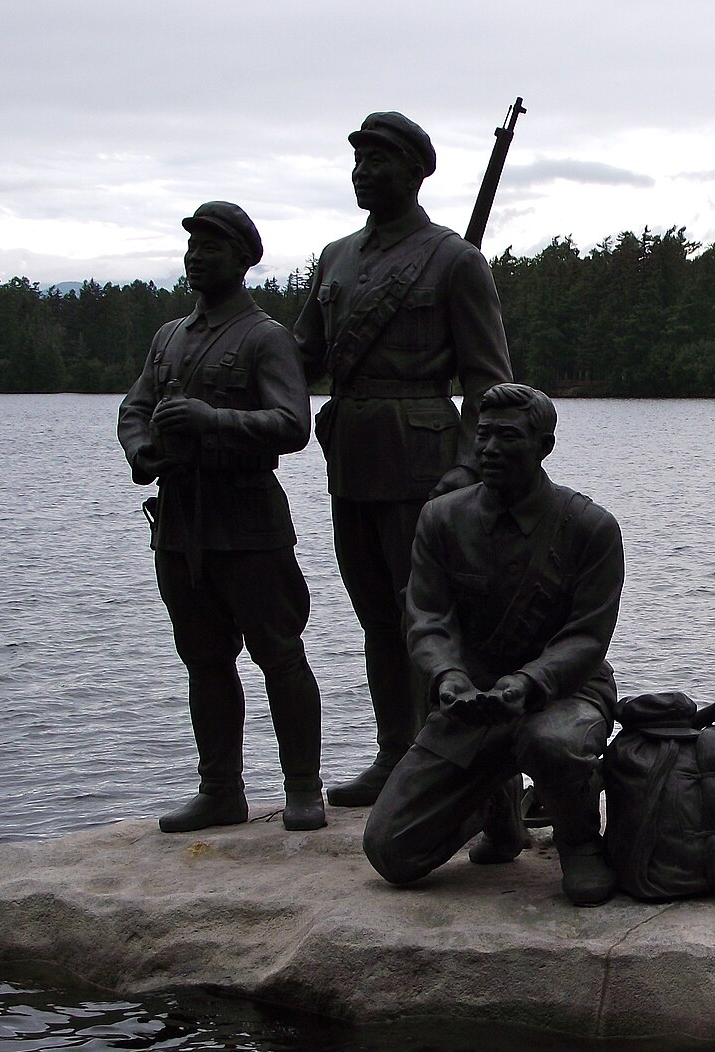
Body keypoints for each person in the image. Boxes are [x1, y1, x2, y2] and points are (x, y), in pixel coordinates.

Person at [294, 111, 513, 809]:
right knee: (376, 620)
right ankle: (395, 753)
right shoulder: (335, 258)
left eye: (377, 162)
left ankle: (444, 757)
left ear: (416, 172)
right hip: (352, 460)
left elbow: (488, 383)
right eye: (355, 162)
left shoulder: (454, 260)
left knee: (431, 621)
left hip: (424, 465)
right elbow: (299, 357)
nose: (361, 173)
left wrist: (465, 467)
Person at [362, 384, 624, 905]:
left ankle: (579, 841)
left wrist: (530, 682)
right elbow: (427, 615)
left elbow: (586, 637)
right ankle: (500, 816)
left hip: (564, 691)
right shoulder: (440, 520)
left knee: (551, 742)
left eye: (509, 436)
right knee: (391, 851)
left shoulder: (590, 528)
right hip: (474, 698)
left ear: (543, 445)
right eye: (483, 436)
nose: (490, 449)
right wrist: (447, 677)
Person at [118, 202, 325, 834]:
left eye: (211, 247)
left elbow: (294, 425)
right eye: (191, 247)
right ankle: (220, 791)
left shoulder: (266, 338)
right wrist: (143, 450)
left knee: (279, 652)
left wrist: (213, 420)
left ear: (243, 259)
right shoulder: (169, 336)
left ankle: (302, 789)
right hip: (181, 522)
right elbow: (134, 406)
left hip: (248, 520)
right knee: (204, 659)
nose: (196, 257)